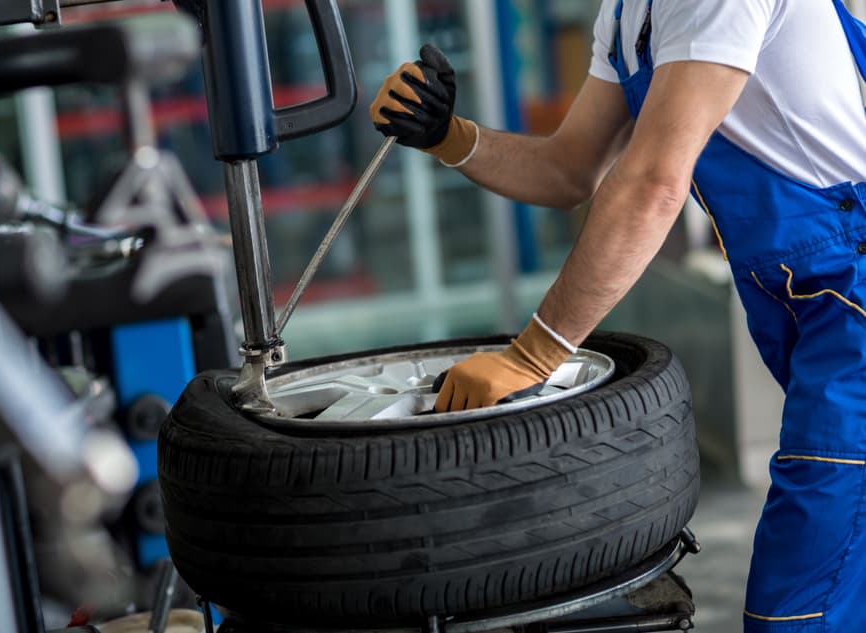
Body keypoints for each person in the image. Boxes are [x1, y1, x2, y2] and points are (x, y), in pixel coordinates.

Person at [369, 1, 866, 631]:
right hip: (811, 303)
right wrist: (449, 136)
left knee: (800, 606)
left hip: (851, 296)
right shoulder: (629, 13)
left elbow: (655, 181)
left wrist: (534, 355)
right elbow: (569, 169)